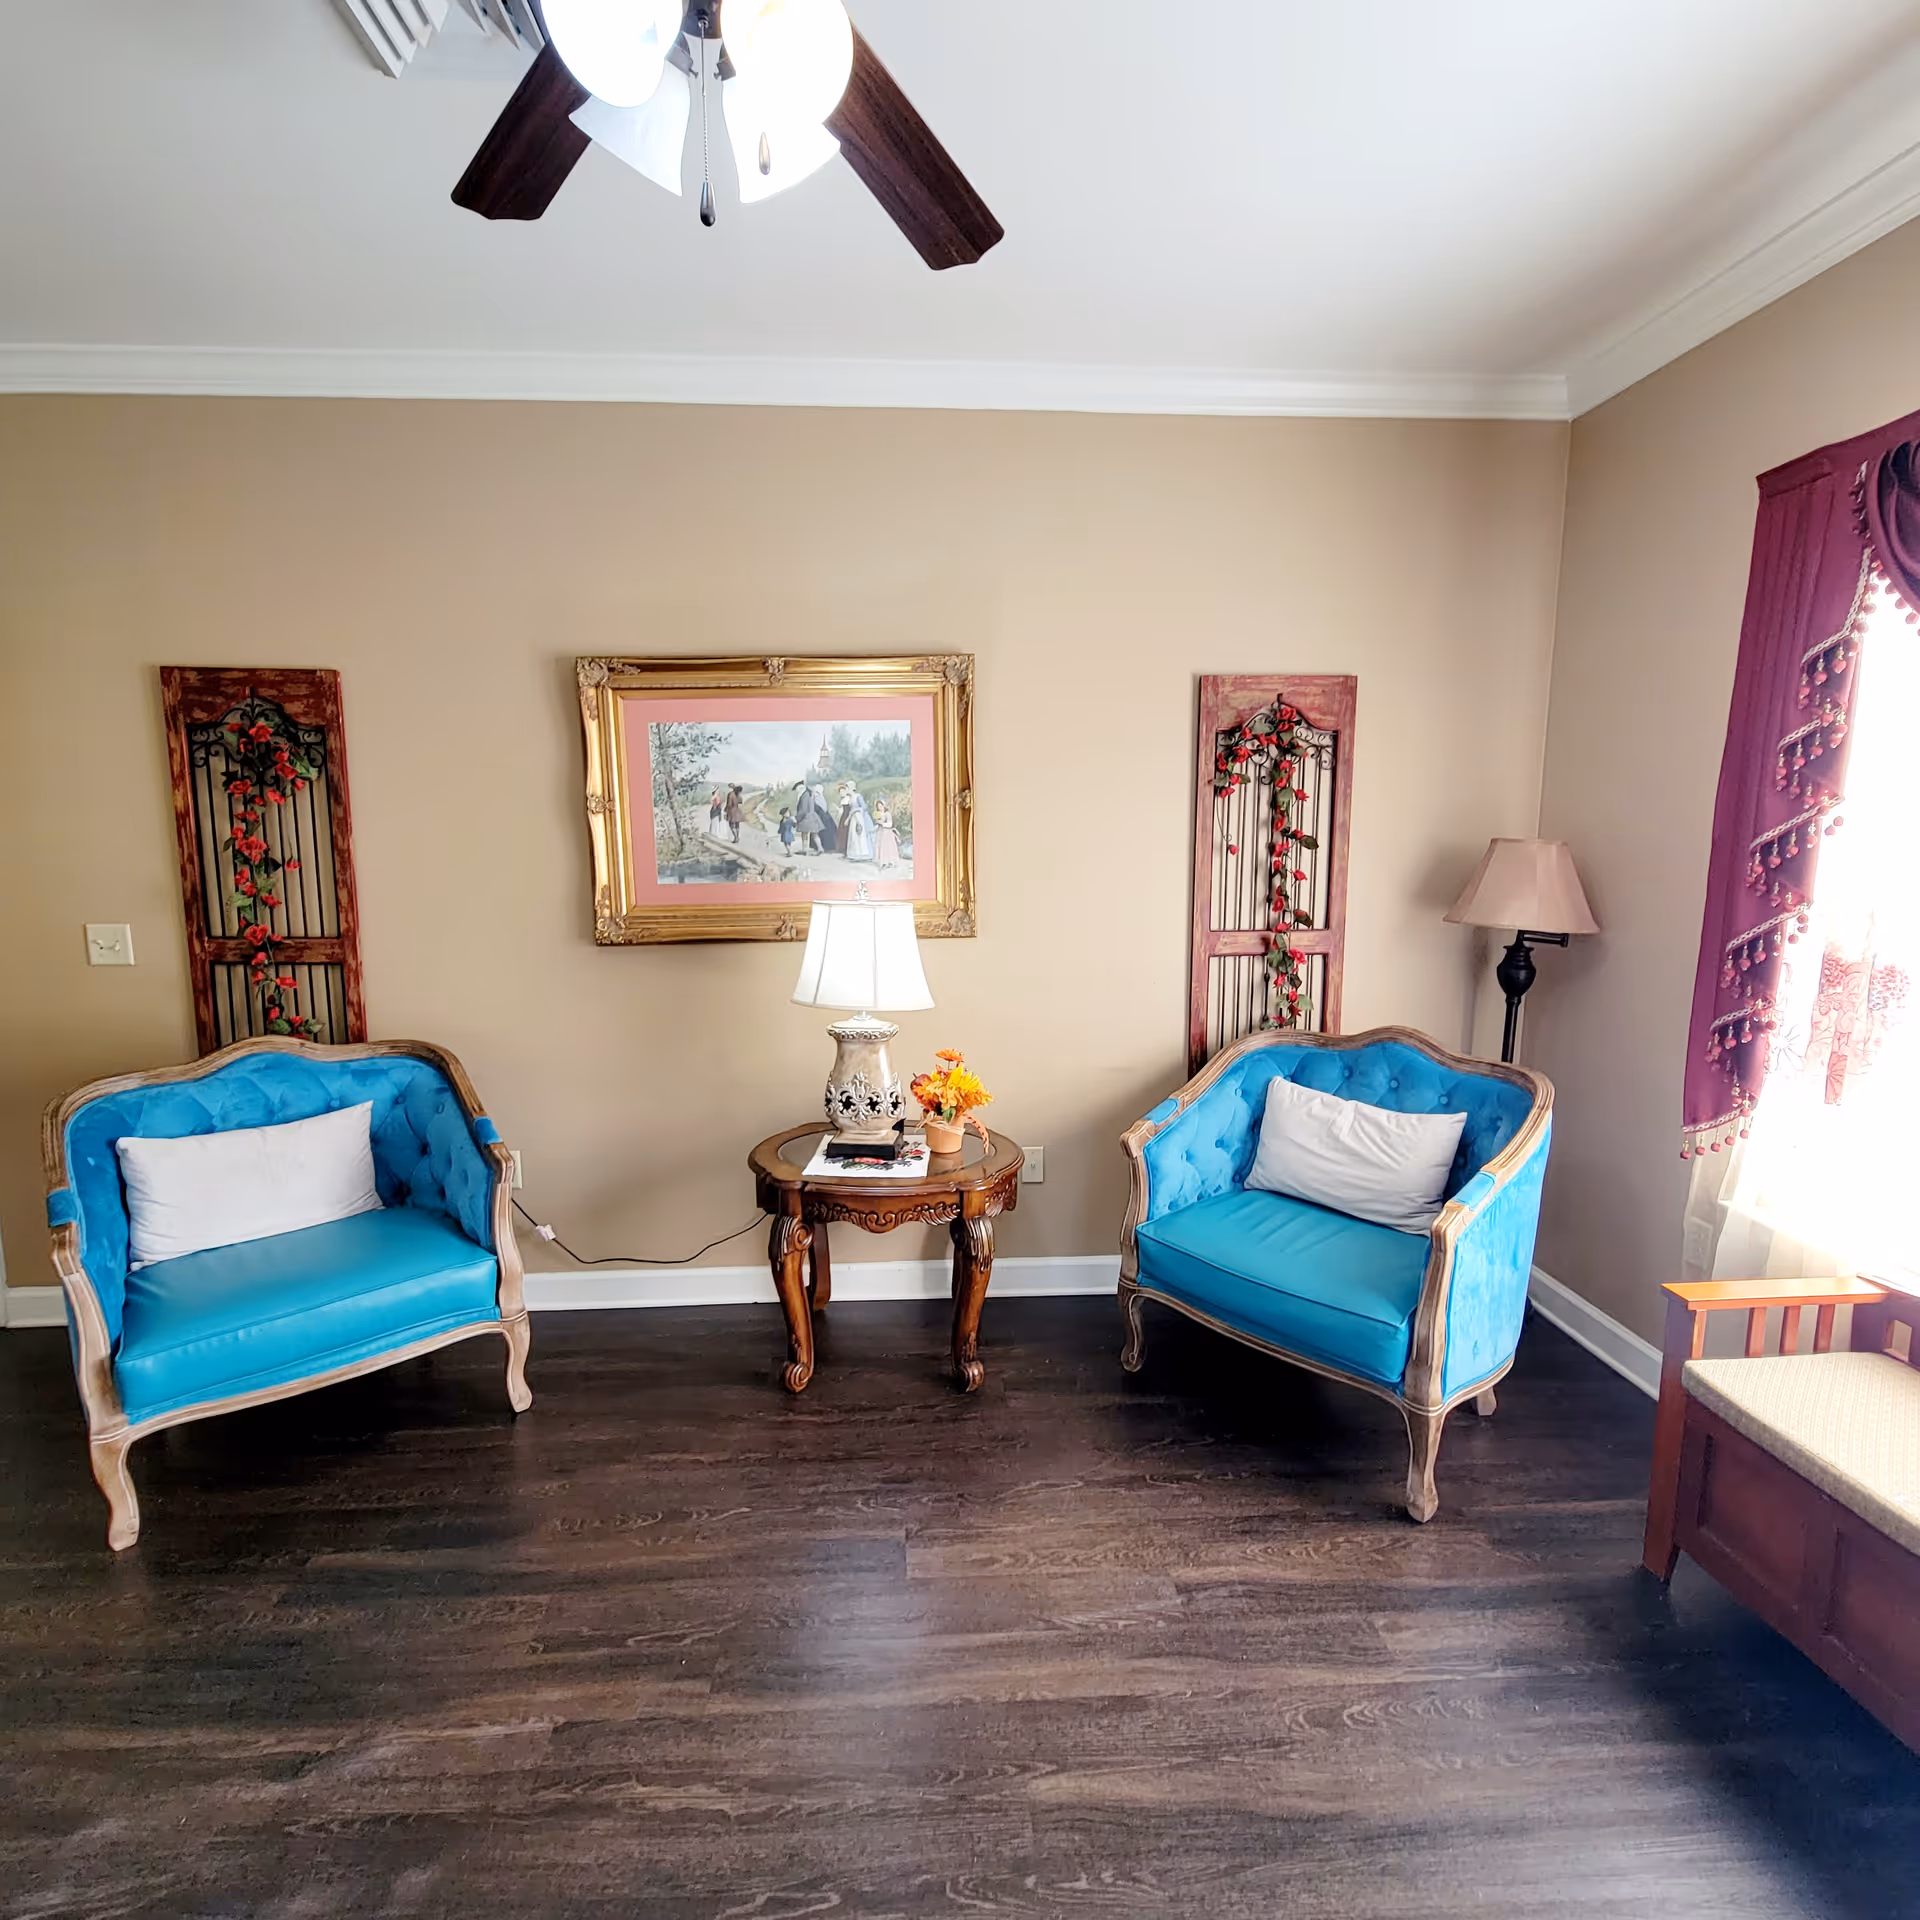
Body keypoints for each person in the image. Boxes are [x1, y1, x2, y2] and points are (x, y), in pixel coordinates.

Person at [843, 788, 875, 863]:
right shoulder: (850, 798)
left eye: (847, 788)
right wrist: (848, 818)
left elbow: (864, 807)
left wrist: (855, 810)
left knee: (860, 835)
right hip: (853, 817)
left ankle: (863, 855)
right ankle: (855, 855)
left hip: (859, 816)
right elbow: (851, 810)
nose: (846, 790)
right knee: (854, 836)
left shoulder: (858, 796)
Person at [872, 796, 901, 871]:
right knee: (880, 846)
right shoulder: (877, 813)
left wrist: (882, 824)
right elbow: (876, 822)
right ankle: (883, 862)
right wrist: (877, 824)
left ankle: (889, 861)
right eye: (878, 806)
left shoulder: (887, 814)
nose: (880, 807)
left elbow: (890, 824)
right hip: (880, 832)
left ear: (884, 806)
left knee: (887, 847)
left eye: (881, 806)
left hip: (887, 832)